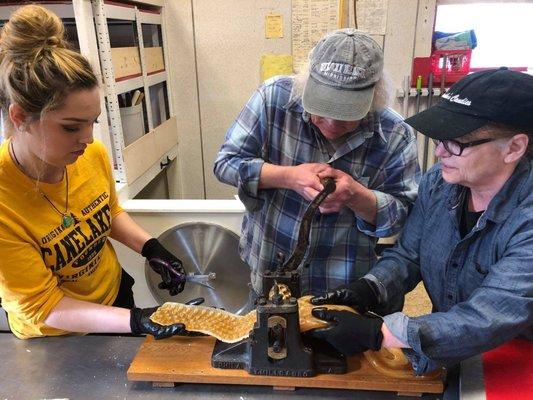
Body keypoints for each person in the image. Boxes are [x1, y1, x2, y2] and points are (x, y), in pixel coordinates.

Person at [308, 67, 533, 374]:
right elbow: (408, 254)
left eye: (457, 143)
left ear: (514, 148)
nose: (439, 152)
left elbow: (492, 313)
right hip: (453, 348)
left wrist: (381, 334)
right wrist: (370, 288)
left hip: (517, 360)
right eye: (439, 139)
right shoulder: (439, 185)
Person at [0, 5, 194, 340]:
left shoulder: (90, 154)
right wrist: (135, 322)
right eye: (71, 127)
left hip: (114, 297)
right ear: (20, 118)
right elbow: (43, 305)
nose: (88, 140)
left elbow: (107, 210)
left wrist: (150, 248)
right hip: (58, 336)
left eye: (93, 123)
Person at [214, 28, 420, 297]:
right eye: (323, 107)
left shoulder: (396, 134)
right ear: (305, 84)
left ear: (374, 97)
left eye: (347, 113)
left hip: (344, 285)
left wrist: (357, 196)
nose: (332, 123)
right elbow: (226, 163)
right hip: (270, 271)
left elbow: (404, 214)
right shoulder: (273, 98)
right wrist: (287, 177)